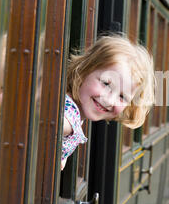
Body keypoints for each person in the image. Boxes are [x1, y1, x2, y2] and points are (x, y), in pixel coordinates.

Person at [61, 34, 156, 170]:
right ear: (84, 69)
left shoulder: (75, 113)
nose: (109, 100)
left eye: (122, 97)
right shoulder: (68, 117)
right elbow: (50, 125)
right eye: (106, 84)